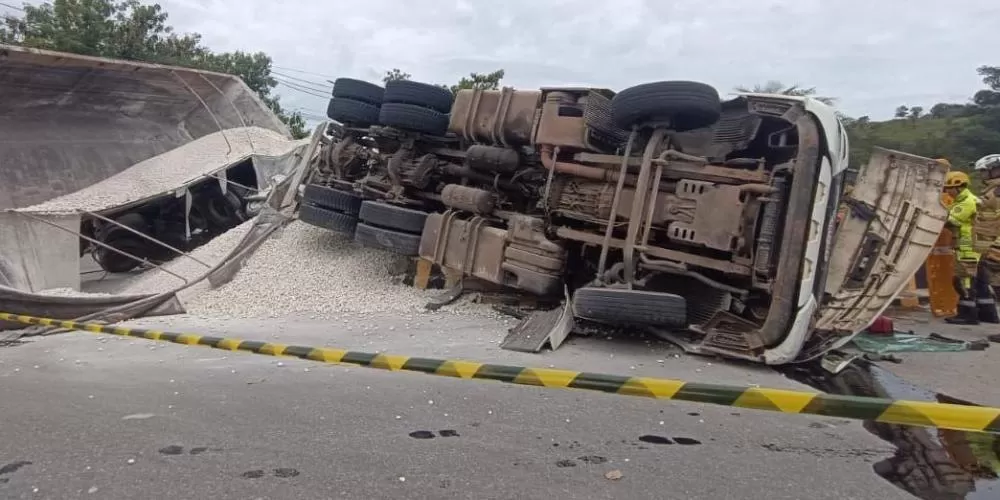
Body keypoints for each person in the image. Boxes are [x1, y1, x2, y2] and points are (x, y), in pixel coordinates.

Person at [942, 168, 983, 325]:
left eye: (949, 189)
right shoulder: (964, 200)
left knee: (962, 279)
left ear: (958, 186)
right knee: (966, 279)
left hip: (967, 244)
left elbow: (951, 220)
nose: (948, 192)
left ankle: (967, 315)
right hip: (968, 243)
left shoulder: (966, 202)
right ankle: (972, 313)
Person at [972, 154, 1000, 325]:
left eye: (984, 171)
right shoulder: (991, 190)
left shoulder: (998, 191)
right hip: (987, 244)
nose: (981, 175)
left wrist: (997, 247)